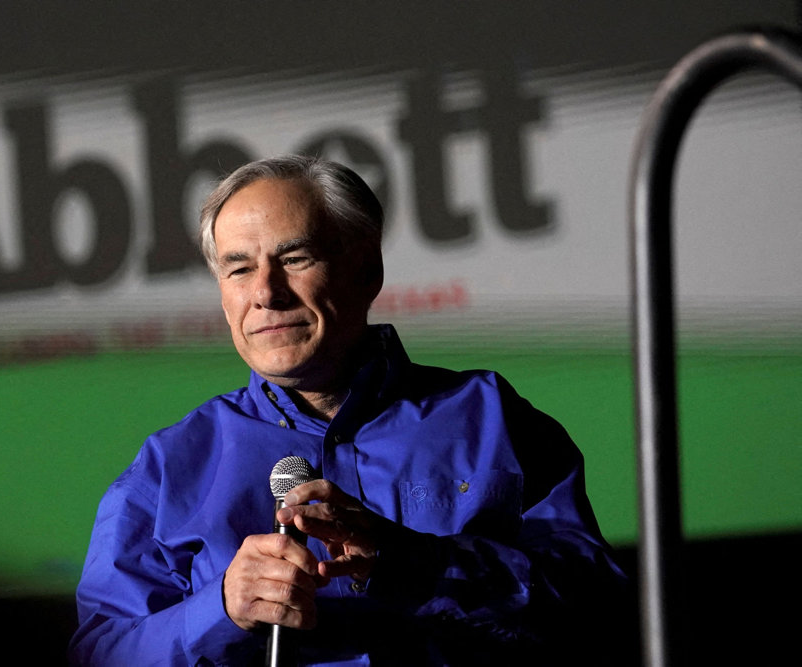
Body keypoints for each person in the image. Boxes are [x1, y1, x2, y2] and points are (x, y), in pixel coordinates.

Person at [69, 155, 632, 666]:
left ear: (367, 272)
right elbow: (98, 654)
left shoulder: (489, 417)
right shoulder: (168, 466)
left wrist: (417, 563)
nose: (266, 293)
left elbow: (601, 604)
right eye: (239, 269)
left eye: (295, 258)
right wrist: (220, 611)